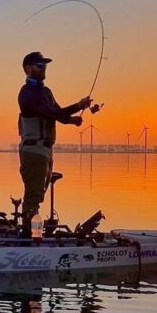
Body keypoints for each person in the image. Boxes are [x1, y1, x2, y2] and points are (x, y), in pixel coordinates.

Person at [18, 51, 92, 237]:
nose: (44, 69)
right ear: (28, 69)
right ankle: (30, 234)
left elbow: (57, 112)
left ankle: (33, 231)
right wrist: (78, 105)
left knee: (39, 193)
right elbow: (49, 113)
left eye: (45, 65)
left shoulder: (46, 91)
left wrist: (72, 120)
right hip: (33, 149)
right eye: (39, 65)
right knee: (33, 194)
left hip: (45, 150)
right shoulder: (26, 94)